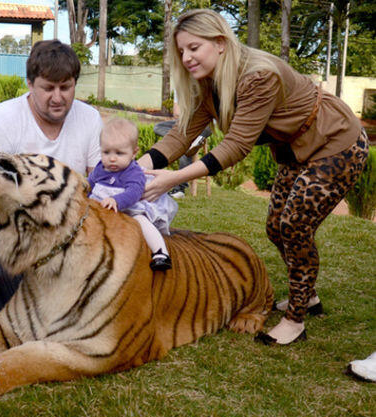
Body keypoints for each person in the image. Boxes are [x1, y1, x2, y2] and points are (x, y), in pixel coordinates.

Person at [138, 9, 368, 346]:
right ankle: (309, 294)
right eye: (181, 51)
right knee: (275, 227)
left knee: (294, 225)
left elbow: (236, 146)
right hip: (295, 150)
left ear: (219, 43)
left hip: (335, 141)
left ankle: (295, 319)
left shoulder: (259, 75)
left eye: (193, 48)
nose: (186, 57)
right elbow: (180, 136)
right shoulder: (210, 83)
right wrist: (131, 168)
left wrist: (171, 178)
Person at [0, 39, 103, 321]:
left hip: (65, 233)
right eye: (48, 88)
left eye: (66, 87)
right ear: (29, 84)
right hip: (5, 236)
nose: (58, 97)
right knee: (16, 319)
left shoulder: (90, 119)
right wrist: (24, 230)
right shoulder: (0, 122)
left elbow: (99, 182)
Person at [88, 117, 177, 270]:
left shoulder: (134, 172)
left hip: (131, 208)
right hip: (103, 207)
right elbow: (89, 184)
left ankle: (160, 252)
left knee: (142, 222)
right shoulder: (100, 168)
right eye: (106, 152)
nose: (112, 158)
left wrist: (116, 200)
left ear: (134, 153)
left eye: (119, 153)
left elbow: (134, 192)